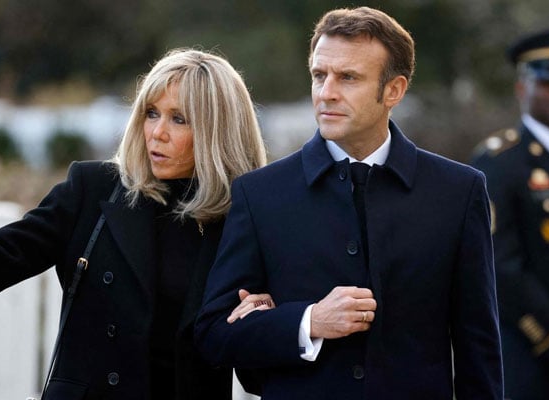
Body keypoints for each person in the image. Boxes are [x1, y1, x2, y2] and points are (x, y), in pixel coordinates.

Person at [0, 48, 270, 400]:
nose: (156, 132)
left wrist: (264, 325)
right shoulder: (93, 190)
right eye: (151, 113)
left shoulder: (244, 221)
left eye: (179, 119)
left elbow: (256, 378)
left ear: (217, 132)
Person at [195, 6, 503, 399]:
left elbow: (480, 349)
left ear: (394, 90)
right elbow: (213, 335)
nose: (326, 93)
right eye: (319, 75)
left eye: (348, 78)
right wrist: (309, 321)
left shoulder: (459, 191)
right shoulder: (260, 194)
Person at [471, 28, 549, 399]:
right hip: (535, 359)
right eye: (548, 82)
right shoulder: (499, 161)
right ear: (523, 88)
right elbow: (500, 268)